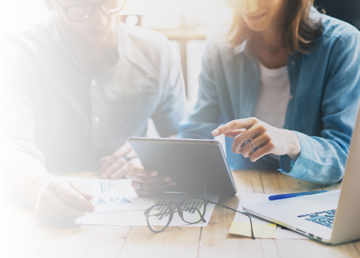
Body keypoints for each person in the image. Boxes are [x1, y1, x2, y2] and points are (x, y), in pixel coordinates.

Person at [128, 0, 360, 196]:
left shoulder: (342, 44)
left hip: (311, 195)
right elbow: (197, 132)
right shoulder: (220, 48)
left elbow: (344, 157)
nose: (248, 6)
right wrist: (157, 168)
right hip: (243, 194)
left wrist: (290, 141)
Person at [0, 0, 186, 222]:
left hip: (136, 216)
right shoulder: (16, 54)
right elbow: (8, 147)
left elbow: (184, 135)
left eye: (109, 2)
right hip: (47, 214)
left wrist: (155, 154)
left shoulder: (156, 52)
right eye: (80, 7)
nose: (101, 21)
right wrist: (38, 186)